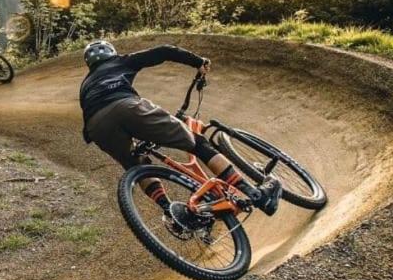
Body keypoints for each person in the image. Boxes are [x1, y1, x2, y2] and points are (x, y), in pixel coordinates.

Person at [79, 40, 282, 229]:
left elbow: (92, 117)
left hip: (96, 127)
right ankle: (255, 194)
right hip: (126, 106)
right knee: (196, 143)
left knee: (137, 164)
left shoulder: (86, 84)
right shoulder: (120, 62)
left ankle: (172, 213)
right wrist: (198, 62)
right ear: (111, 53)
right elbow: (163, 52)